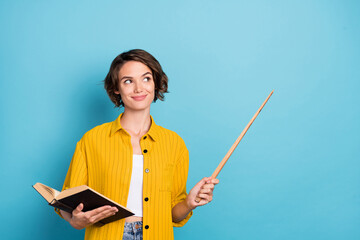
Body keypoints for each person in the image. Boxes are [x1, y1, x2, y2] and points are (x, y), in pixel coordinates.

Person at [56, 49, 219, 240]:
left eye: (146, 78)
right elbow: (68, 203)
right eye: (128, 81)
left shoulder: (174, 143)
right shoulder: (92, 139)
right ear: (116, 88)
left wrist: (190, 203)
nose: (139, 88)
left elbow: (174, 214)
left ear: (156, 82)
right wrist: (76, 221)